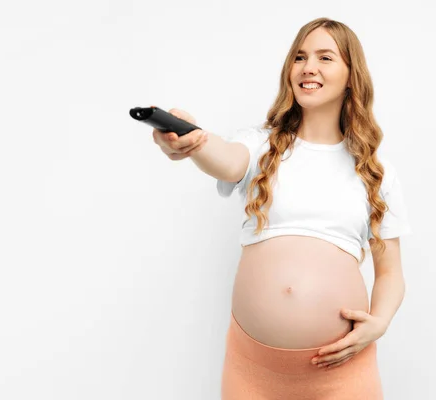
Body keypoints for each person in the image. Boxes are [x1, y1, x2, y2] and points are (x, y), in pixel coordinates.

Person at [153, 17, 412, 400]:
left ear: (352, 76)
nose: (308, 67)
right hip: (254, 370)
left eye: (325, 58)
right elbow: (224, 158)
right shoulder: (262, 146)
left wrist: (380, 323)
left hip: (342, 372)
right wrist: (195, 140)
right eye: (300, 57)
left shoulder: (375, 171)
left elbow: (390, 271)